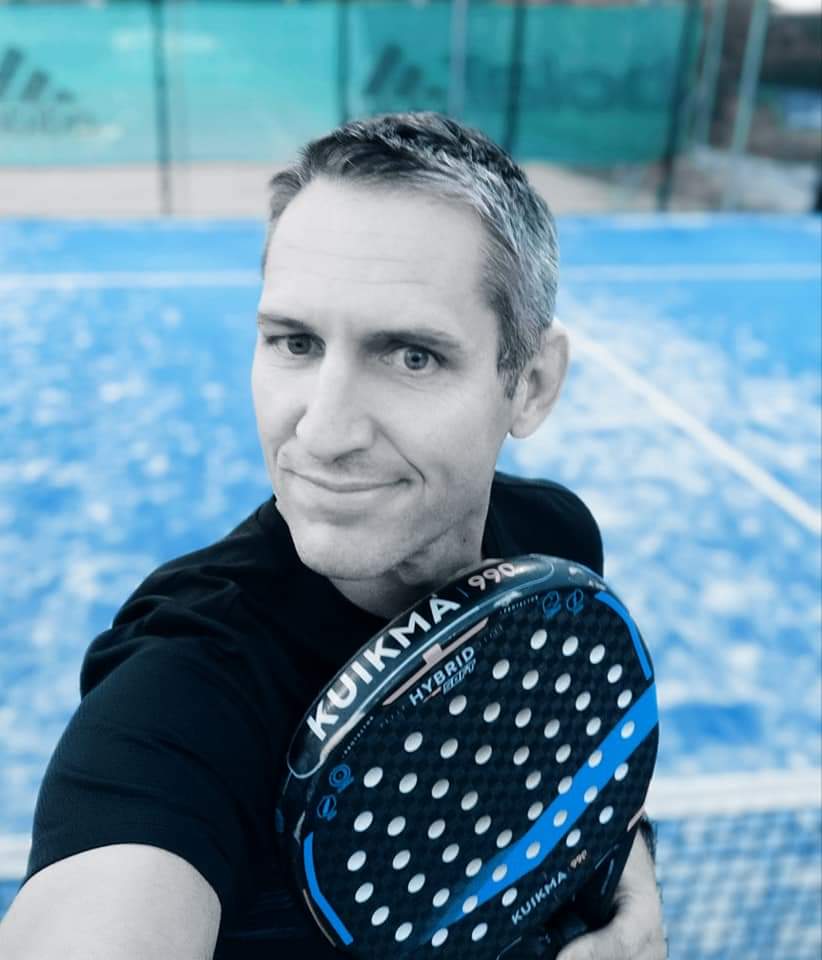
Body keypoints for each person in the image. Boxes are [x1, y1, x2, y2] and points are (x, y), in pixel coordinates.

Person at [0, 112, 665, 959]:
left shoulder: (552, 548)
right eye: (295, 342)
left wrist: (628, 867)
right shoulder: (182, 693)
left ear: (530, 384)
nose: (322, 431)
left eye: (411, 356)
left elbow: (561, 755)